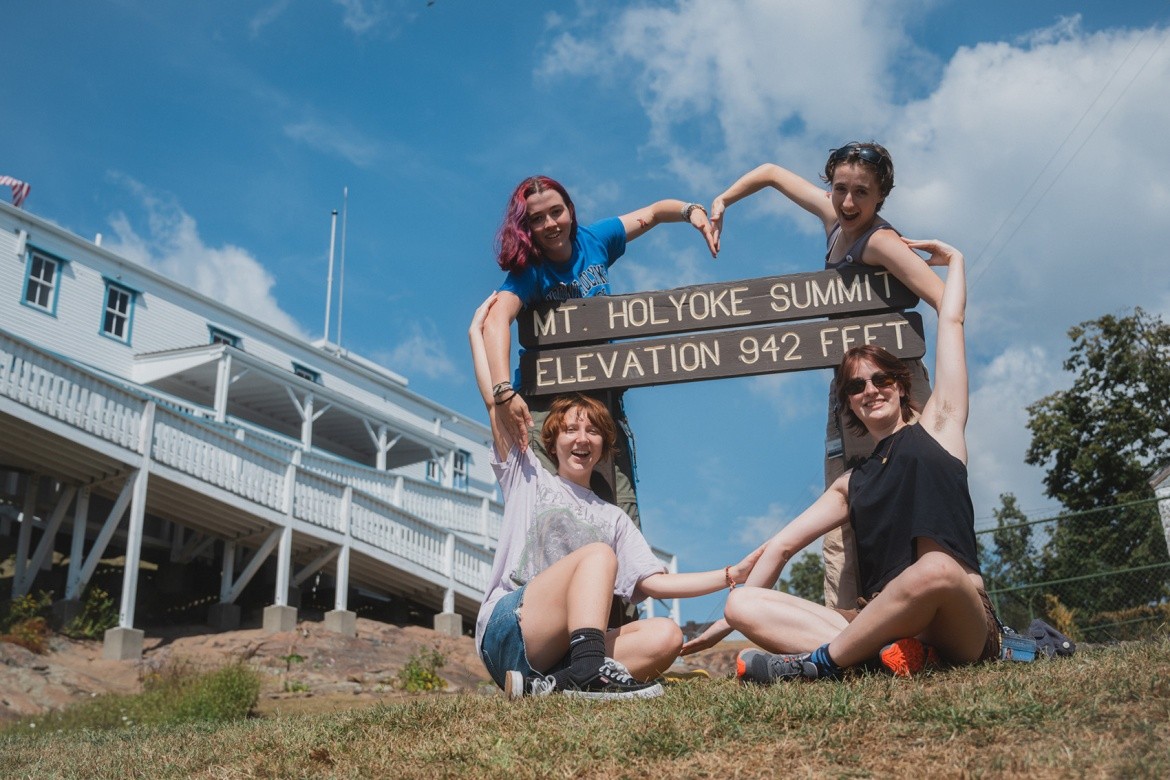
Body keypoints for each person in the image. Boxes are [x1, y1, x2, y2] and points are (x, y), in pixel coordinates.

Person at [682, 239, 1001, 681]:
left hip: (956, 617)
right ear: (848, 405)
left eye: (881, 378)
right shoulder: (850, 484)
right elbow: (781, 546)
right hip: (882, 627)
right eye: (856, 387)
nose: (870, 390)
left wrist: (957, 261)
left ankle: (822, 664)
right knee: (741, 601)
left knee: (936, 568)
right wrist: (726, 622)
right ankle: (885, 657)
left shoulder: (940, 429)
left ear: (900, 384)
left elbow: (952, 319)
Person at [471, 293, 761, 699]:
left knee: (665, 634)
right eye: (571, 429)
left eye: (592, 431)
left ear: (604, 447)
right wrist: (476, 336)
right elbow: (493, 403)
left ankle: (554, 686)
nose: (581, 438)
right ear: (552, 441)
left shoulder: (613, 519)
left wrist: (730, 576)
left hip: (559, 654)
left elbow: (657, 584)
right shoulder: (528, 477)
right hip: (509, 632)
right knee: (599, 554)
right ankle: (591, 675)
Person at [709, 142, 943, 612]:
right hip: (849, 389)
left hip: (893, 387)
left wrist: (934, 408)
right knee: (841, 509)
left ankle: (917, 611)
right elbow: (773, 171)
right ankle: (843, 624)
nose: (849, 202)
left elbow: (942, 297)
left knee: (904, 500)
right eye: (840, 189)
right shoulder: (836, 221)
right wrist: (723, 201)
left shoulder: (878, 240)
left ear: (881, 197)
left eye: (862, 192)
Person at [484, 175, 718, 532]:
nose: (550, 224)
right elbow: (496, 319)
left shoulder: (594, 241)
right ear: (526, 227)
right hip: (548, 408)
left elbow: (654, 213)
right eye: (537, 218)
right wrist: (503, 391)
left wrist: (691, 212)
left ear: (570, 211)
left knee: (621, 513)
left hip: (602, 401)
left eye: (556, 212)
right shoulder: (530, 273)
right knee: (554, 515)